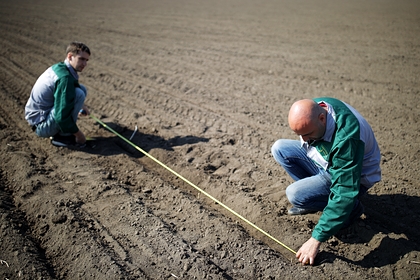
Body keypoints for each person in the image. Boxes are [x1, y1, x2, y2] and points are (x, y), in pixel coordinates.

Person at [271, 97, 381, 265]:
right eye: (300, 135)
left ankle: (352, 209)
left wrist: (315, 239)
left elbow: (344, 191)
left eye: (307, 134)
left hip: (354, 178)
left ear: (322, 118)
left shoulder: (347, 139)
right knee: (279, 148)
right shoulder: (318, 108)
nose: (304, 140)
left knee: (295, 194)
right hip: (329, 162)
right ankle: (319, 197)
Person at [25, 41, 91, 146]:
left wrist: (82, 106)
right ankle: (62, 137)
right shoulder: (64, 78)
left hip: (41, 117)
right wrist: (79, 135)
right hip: (41, 126)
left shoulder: (61, 67)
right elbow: (61, 117)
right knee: (78, 94)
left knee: (81, 89)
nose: (85, 64)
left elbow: (73, 85)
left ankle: (63, 131)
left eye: (86, 60)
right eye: (81, 59)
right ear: (70, 56)